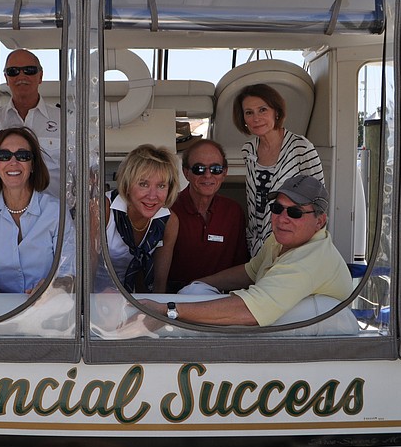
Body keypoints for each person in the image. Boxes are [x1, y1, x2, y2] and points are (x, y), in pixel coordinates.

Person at [143, 175, 351, 326]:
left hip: (316, 351)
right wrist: (199, 284)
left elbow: (248, 311)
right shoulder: (281, 240)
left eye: (295, 212)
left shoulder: (308, 262)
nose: (282, 218)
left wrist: (168, 310)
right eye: (277, 209)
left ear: (319, 221)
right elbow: (249, 271)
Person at [0, 127, 74, 293]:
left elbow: (69, 272)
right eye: (4, 156)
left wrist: (50, 290)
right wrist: (9, 314)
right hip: (1, 313)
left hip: (51, 307)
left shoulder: (57, 211)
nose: (13, 162)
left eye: (23, 155)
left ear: (32, 165)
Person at [234, 83, 324, 256]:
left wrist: (312, 248)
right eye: (249, 112)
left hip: (294, 244)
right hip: (257, 244)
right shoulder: (248, 150)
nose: (256, 118)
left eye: (262, 110)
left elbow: (319, 201)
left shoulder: (301, 147)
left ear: (276, 112)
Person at [167, 139, 248, 292]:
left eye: (215, 169)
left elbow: (242, 266)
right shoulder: (168, 209)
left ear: (224, 173)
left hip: (219, 300)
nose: (208, 175)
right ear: (186, 173)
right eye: (199, 169)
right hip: (174, 298)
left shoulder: (234, 212)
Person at [103, 144, 180, 293]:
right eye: (143, 184)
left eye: (161, 186)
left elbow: (159, 284)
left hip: (139, 300)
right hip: (94, 299)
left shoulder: (169, 221)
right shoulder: (103, 209)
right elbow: (84, 272)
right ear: (127, 184)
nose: (152, 196)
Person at [0, 49, 62, 197]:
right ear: (6, 78)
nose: (21, 76)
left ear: (40, 76)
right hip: (4, 215)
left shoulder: (64, 120)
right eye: (13, 71)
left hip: (54, 215)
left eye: (29, 70)